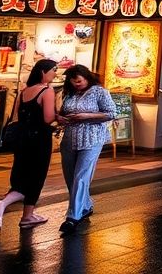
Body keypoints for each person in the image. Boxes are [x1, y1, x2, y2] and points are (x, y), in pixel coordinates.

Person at [0, 59, 58, 232]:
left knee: (22, 175)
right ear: (43, 72)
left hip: (22, 140)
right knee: (36, 177)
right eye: (53, 70)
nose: (55, 73)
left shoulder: (24, 91)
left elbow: (16, 117)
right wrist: (60, 116)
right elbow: (48, 118)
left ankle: (28, 216)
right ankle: (3, 203)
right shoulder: (47, 90)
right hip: (39, 140)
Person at [56, 65, 116, 233]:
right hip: (69, 139)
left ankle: (73, 216)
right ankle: (86, 205)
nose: (76, 84)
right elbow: (62, 112)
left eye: (79, 81)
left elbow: (111, 113)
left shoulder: (99, 92)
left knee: (81, 176)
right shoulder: (68, 93)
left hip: (92, 139)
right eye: (73, 82)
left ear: (87, 77)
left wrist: (86, 116)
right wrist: (60, 118)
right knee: (70, 177)